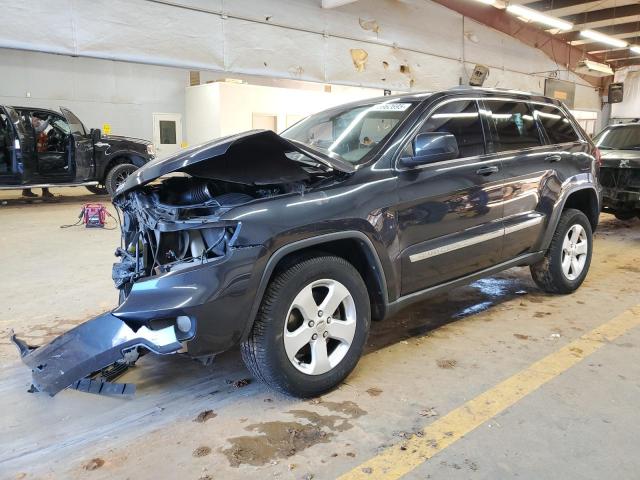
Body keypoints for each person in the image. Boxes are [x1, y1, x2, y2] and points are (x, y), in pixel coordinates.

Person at [23, 115, 53, 199]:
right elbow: (41, 129)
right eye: (36, 121)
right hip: (34, 155)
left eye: (38, 120)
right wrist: (48, 120)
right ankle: (45, 191)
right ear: (31, 123)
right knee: (42, 172)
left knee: (31, 173)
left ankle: (27, 191)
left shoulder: (30, 130)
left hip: (34, 154)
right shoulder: (32, 130)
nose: (38, 122)